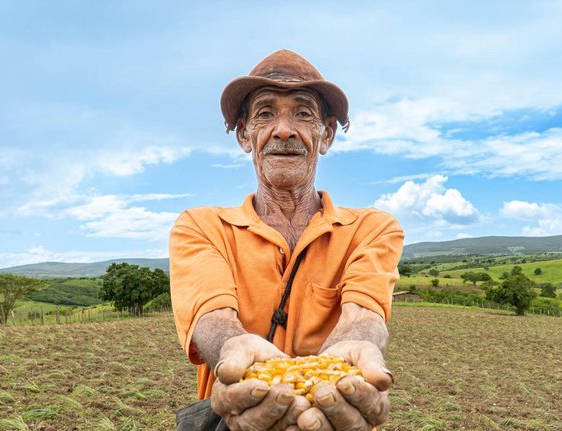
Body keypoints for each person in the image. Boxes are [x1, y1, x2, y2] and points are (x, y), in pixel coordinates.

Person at [170, 49, 404, 431]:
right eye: (264, 113)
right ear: (245, 136)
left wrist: (355, 351)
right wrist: (232, 347)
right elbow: (212, 315)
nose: (283, 129)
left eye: (302, 113)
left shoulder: (372, 229)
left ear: (325, 135)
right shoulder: (200, 226)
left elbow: (365, 314)